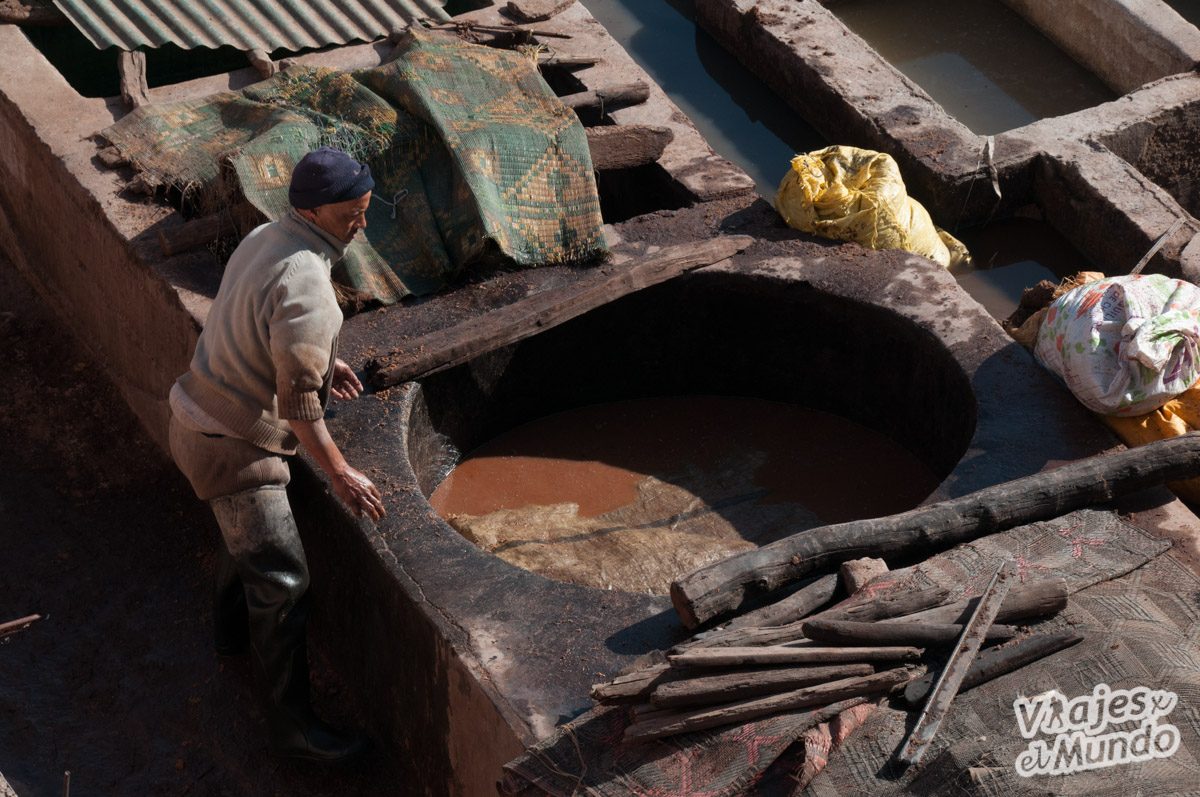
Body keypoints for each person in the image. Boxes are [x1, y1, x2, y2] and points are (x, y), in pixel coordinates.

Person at [167, 147, 386, 763]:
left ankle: (229, 637)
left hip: (190, 415)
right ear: (313, 208)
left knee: (244, 546)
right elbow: (299, 411)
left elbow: (255, 319)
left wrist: (323, 360)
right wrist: (341, 473)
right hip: (233, 451)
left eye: (366, 211)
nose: (361, 225)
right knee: (283, 580)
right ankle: (295, 732)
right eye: (352, 214)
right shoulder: (311, 280)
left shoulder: (268, 234)